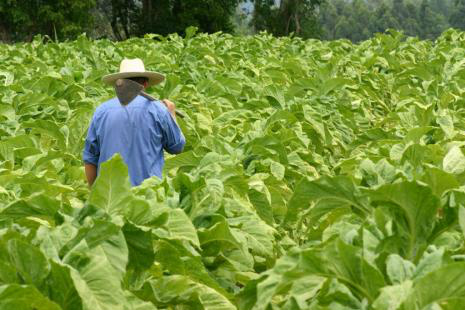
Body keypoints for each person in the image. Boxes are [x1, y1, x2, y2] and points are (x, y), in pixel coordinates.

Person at [83, 58, 185, 186]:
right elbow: (177, 146)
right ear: (145, 84)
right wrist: (171, 114)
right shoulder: (158, 110)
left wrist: (95, 194)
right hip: (147, 195)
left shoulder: (101, 111)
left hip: (111, 195)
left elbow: (90, 159)